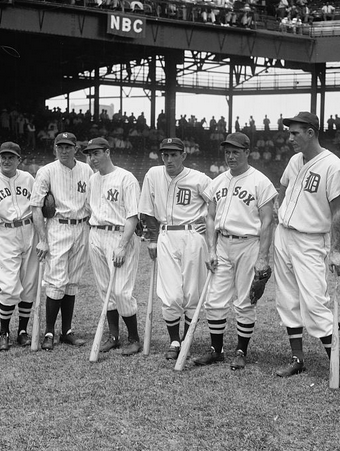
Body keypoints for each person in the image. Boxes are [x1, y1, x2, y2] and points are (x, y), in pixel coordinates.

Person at [274, 112, 340, 388]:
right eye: (290, 132)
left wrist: (336, 250)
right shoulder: (295, 160)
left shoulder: (333, 166)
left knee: (315, 302)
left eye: (295, 133)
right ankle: (297, 358)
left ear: (311, 132)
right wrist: (280, 212)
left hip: (310, 239)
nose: (290, 137)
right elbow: (283, 188)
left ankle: (336, 367)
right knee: (287, 299)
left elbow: (338, 212)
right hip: (284, 234)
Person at [193, 133, 276, 369]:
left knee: (244, 301)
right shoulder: (217, 181)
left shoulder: (261, 182)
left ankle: (241, 351)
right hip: (222, 244)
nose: (230, 156)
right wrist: (211, 249)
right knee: (214, 300)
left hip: (249, 244)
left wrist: (263, 257)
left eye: (236, 151)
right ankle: (216, 350)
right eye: (227, 151)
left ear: (247, 152)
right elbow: (209, 217)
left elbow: (268, 222)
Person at [139, 138, 211, 360]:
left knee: (192, 292)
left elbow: (217, 204)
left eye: (173, 154)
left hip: (192, 236)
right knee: (170, 295)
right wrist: (151, 239)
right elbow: (146, 208)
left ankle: (187, 338)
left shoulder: (199, 178)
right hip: (165, 235)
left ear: (183, 155)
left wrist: (207, 219)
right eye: (165, 155)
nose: (168, 159)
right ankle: (174, 341)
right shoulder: (153, 174)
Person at [30, 132, 93, 351]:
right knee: (56, 281)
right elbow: (36, 206)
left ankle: (66, 331)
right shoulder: (46, 171)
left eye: (68, 147)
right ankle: (49, 331)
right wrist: (42, 239)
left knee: (72, 281)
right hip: (58, 226)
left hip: (81, 226)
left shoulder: (86, 170)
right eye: (60, 146)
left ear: (76, 148)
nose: (64, 150)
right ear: (54, 148)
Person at [83, 137, 142, 356]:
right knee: (104, 289)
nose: (92, 158)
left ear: (107, 152)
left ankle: (134, 338)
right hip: (96, 233)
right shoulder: (92, 180)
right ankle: (114, 337)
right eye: (90, 154)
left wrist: (122, 245)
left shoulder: (126, 178)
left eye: (96, 153)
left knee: (121, 291)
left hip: (118, 235)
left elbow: (133, 216)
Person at [0, 142, 38, 350]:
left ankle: (22, 331)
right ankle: (4, 331)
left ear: (19, 160)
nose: (6, 160)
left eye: (11, 157)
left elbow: (37, 208)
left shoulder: (28, 179)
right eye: (3, 156)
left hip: (29, 229)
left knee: (29, 283)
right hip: (4, 231)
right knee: (9, 285)